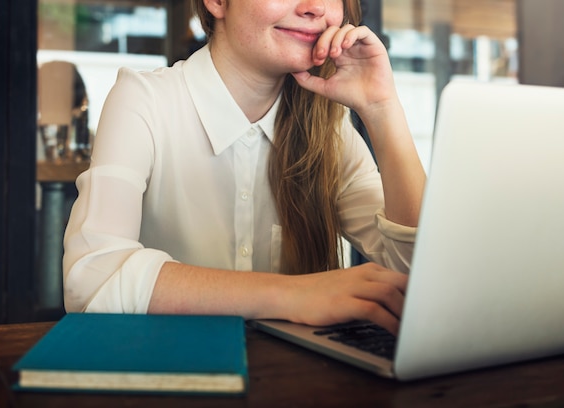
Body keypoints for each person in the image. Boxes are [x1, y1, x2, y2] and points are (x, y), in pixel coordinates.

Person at [63, 0, 426, 336]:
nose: (315, 7)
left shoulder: (328, 128)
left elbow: (420, 275)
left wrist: (381, 107)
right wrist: (295, 294)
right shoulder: (145, 100)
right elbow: (94, 281)